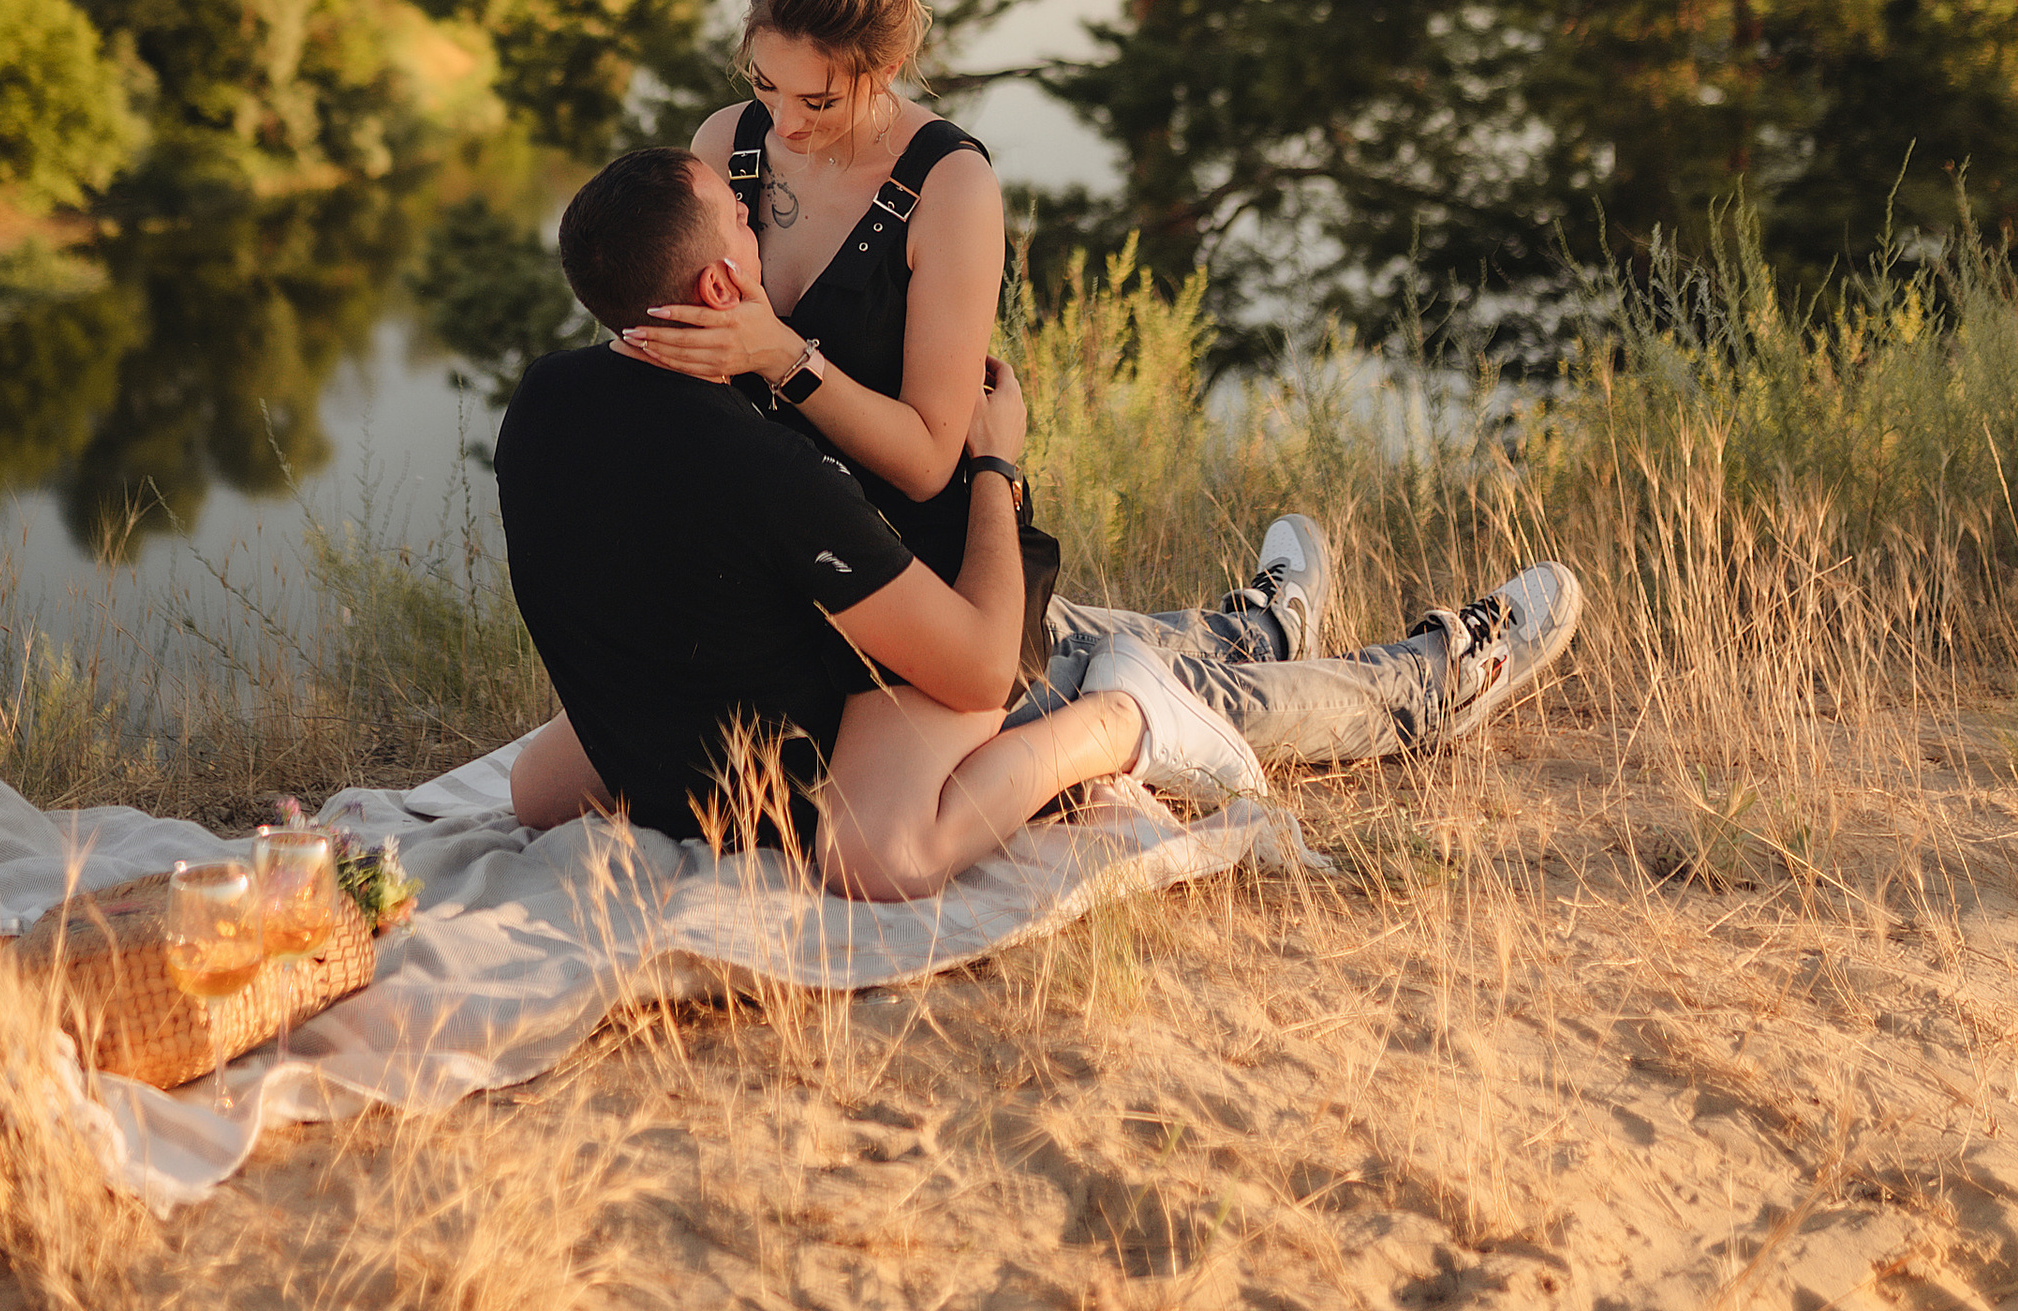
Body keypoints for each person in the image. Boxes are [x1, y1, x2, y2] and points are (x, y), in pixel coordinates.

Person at [496, 146, 1582, 902]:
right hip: (871, 676)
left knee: (1061, 667)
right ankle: (1138, 710)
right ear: (722, 281)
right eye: (743, 219)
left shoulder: (544, 400)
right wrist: (994, 462)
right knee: (1053, 690)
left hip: (834, 667)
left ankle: (1420, 678)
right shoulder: (756, 460)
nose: (760, 223)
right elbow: (973, 668)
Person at [630, 0, 1004, 586]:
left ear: (887, 68)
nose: (785, 124)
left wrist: (782, 356)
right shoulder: (722, 142)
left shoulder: (952, 188)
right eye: (765, 84)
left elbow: (927, 465)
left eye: (820, 100)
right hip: (751, 543)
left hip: (905, 564)